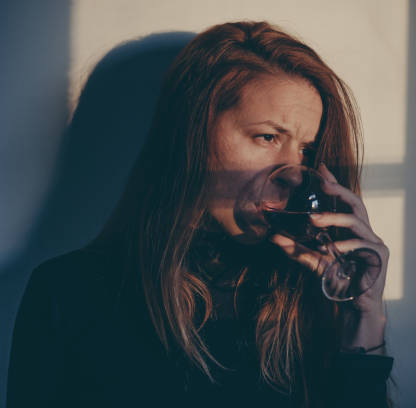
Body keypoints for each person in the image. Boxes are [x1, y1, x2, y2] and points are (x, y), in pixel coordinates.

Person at [7, 21, 394, 407]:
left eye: (306, 150)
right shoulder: (67, 294)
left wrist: (364, 317)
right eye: (267, 137)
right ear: (192, 131)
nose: (294, 173)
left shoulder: (304, 294)